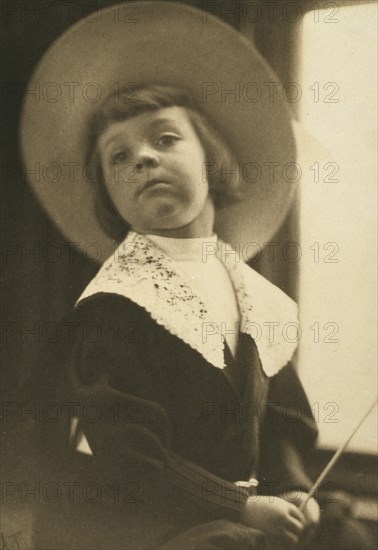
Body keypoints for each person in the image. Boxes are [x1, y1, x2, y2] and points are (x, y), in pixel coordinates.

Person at [20, 3, 373, 550]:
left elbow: (281, 423)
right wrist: (241, 507)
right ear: (110, 196)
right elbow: (130, 460)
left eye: (164, 139)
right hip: (145, 519)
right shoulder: (114, 307)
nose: (142, 158)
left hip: (243, 513)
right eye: (119, 157)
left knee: (343, 534)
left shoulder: (258, 299)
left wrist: (295, 490)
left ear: (212, 158)